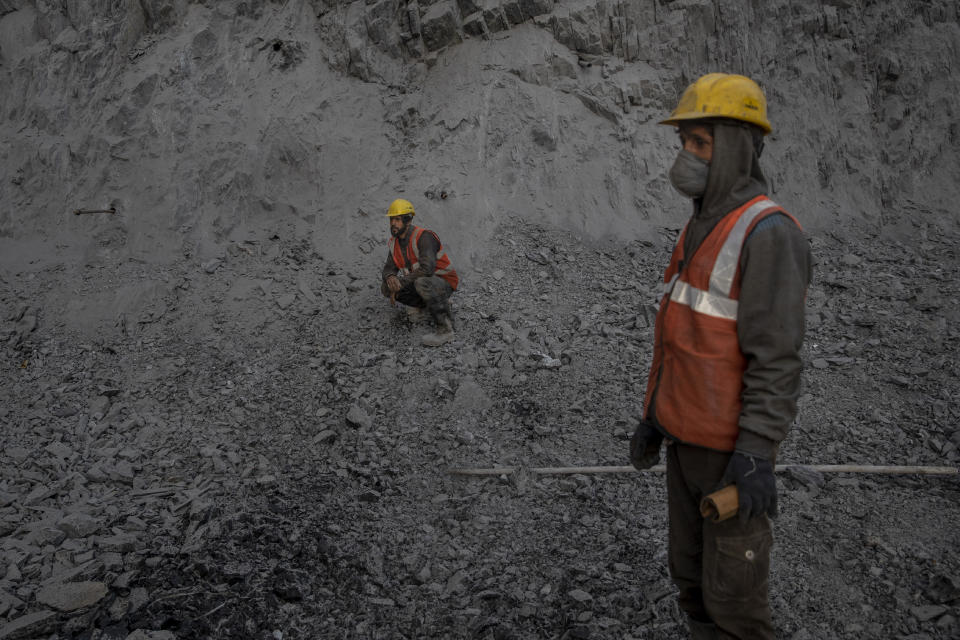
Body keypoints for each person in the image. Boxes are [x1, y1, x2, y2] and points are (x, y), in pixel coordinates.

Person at [629, 73, 812, 639]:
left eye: (700, 144)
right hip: (686, 446)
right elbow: (682, 338)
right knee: (690, 578)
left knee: (734, 597)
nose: (686, 156)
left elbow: (777, 359)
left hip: (730, 454)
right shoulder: (700, 225)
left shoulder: (768, 232)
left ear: (734, 146)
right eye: (683, 142)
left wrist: (756, 453)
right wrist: (655, 418)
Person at [381, 198, 459, 345]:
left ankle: (445, 329)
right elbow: (389, 268)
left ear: (408, 220)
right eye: (391, 219)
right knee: (386, 287)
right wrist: (390, 277)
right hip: (420, 283)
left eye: (397, 220)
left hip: (443, 282)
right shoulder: (394, 243)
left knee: (422, 281)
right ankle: (425, 308)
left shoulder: (424, 237)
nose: (393, 224)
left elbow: (427, 269)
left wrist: (400, 281)